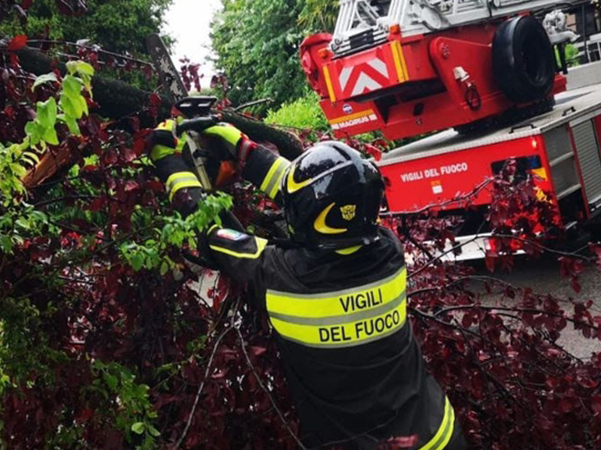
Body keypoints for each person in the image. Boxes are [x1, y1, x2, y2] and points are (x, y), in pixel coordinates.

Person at [148, 117, 466, 450]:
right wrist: (244, 149)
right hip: (439, 433)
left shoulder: (279, 274)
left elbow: (206, 227)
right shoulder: (388, 251)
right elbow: (319, 197)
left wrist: (167, 159)